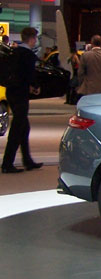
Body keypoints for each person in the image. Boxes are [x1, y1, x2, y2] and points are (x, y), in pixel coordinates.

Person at [1, 27, 43, 173]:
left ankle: (28, 160)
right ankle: (7, 163)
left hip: (11, 91)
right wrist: (35, 86)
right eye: (35, 38)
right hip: (21, 93)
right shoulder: (28, 55)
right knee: (18, 127)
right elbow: (30, 74)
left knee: (24, 127)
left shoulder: (14, 52)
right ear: (31, 38)